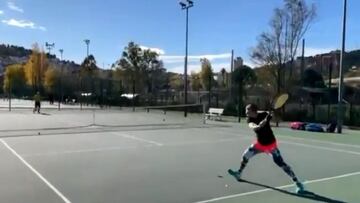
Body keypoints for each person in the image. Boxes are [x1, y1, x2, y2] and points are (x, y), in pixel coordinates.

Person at [230, 104, 305, 193]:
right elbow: (253, 126)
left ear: (253, 111)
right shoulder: (249, 119)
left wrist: (271, 115)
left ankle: (298, 183)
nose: (246, 112)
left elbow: (275, 118)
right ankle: (239, 173)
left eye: (247, 111)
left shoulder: (264, 114)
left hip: (271, 145)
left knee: (281, 164)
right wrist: (259, 125)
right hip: (259, 144)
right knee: (245, 156)